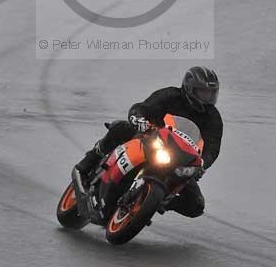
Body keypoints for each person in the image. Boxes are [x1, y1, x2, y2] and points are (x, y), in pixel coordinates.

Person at [76, 66, 223, 218]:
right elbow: (142, 108)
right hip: (150, 139)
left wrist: (202, 164)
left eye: (211, 93)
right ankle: (90, 160)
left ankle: (156, 203)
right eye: (203, 92)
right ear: (189, 88)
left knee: (196, 205)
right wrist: (140, 119)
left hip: (178, 159)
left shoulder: (213, 117)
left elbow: (213, 147)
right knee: (120, 128)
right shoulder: (170, 95)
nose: (208, 97)